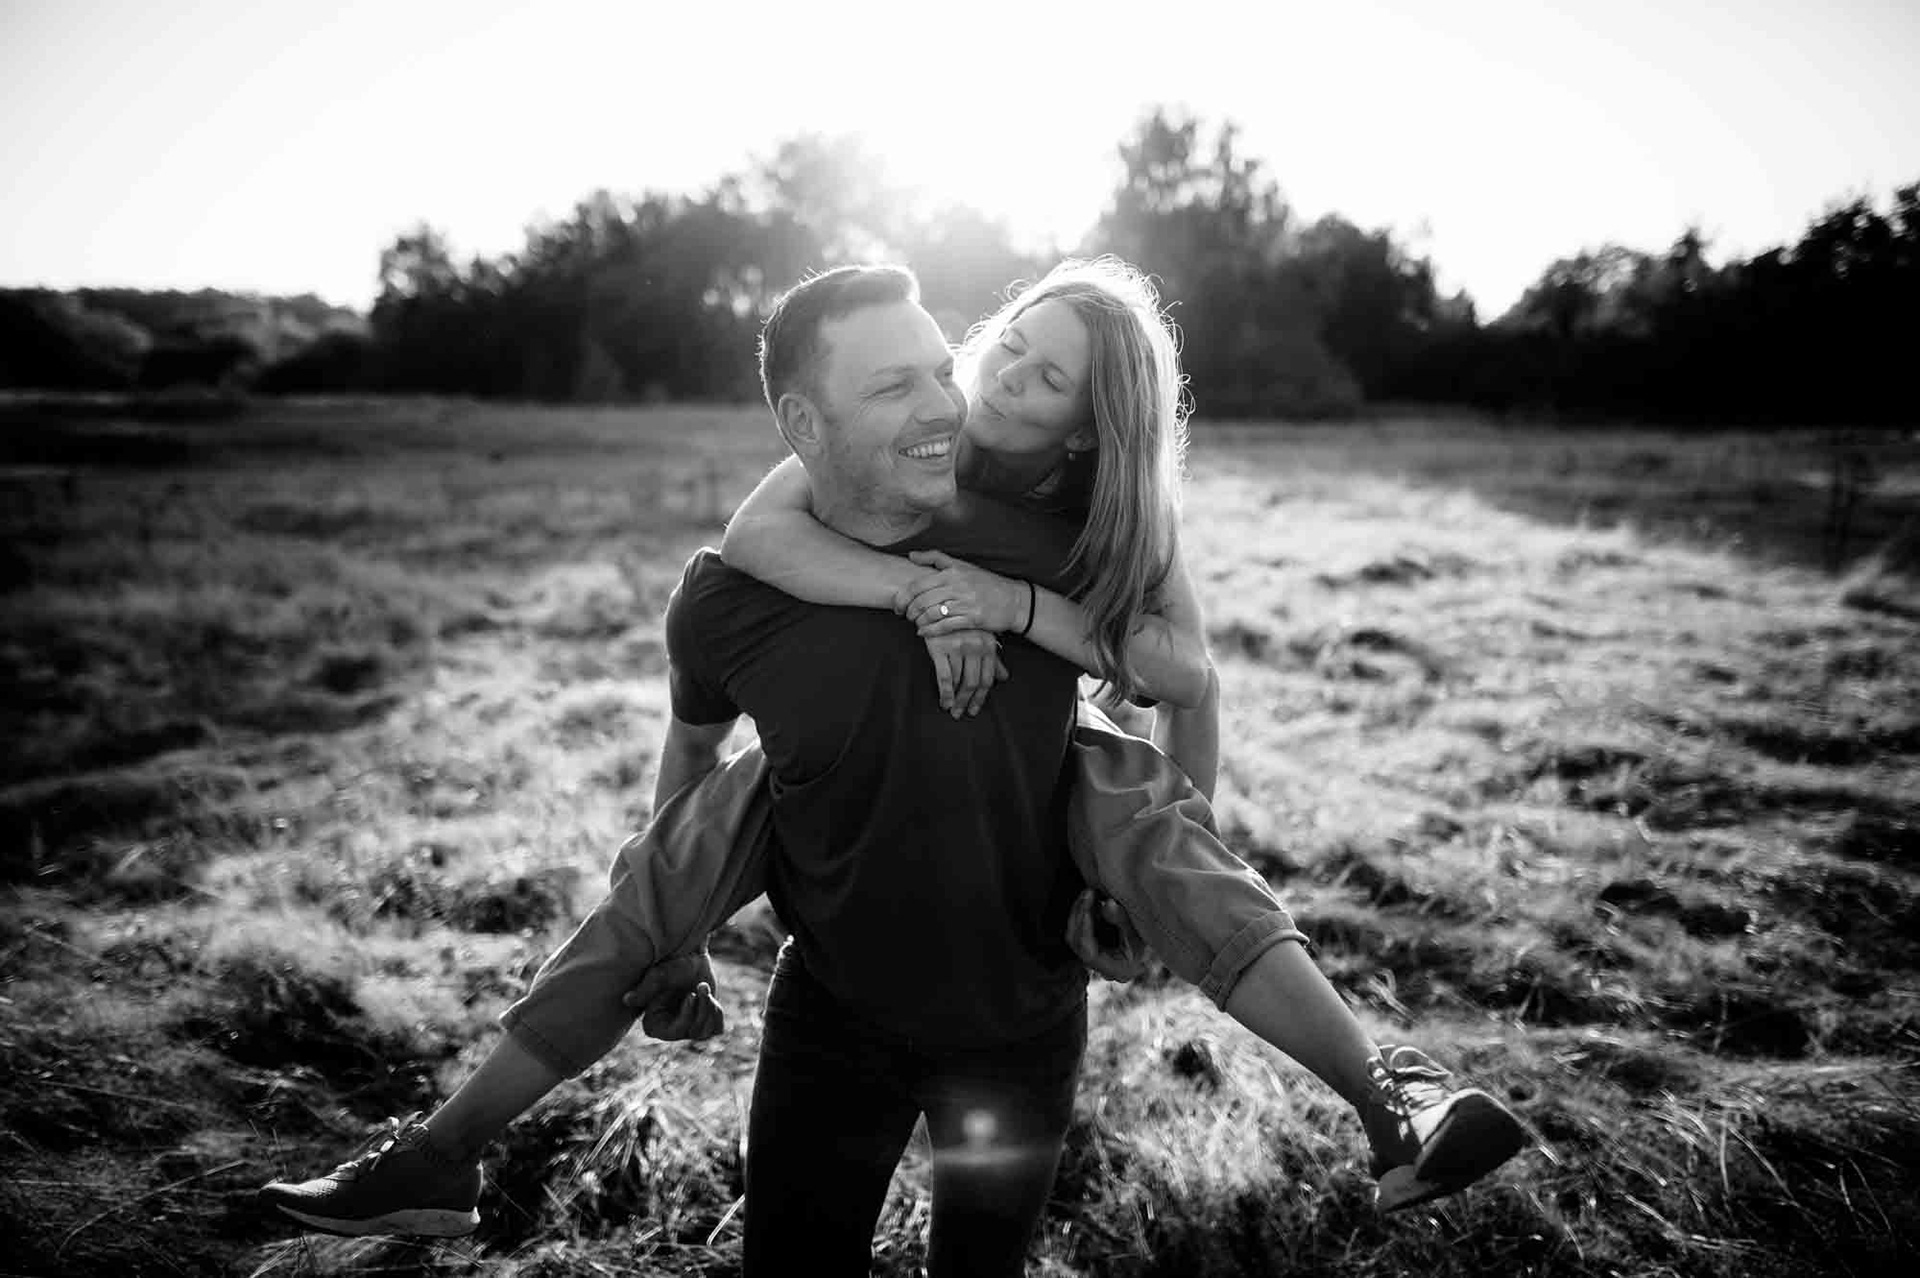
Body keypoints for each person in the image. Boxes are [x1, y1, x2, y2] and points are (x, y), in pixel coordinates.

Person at [259, 262, 1526, 1259]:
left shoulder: (1074, 531)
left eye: (997, 377)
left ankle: (1389, 1093)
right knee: (665, 876)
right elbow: (743, 584)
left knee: (1144, 816)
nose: (971, 393)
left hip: (1022, 1000)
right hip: (835, 999)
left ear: (1090, 430)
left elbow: (1183, 675)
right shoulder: (761, 566)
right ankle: (441, 1155)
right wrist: (920, 598)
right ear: (814, 419)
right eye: (993, 354)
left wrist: (1014, 619)